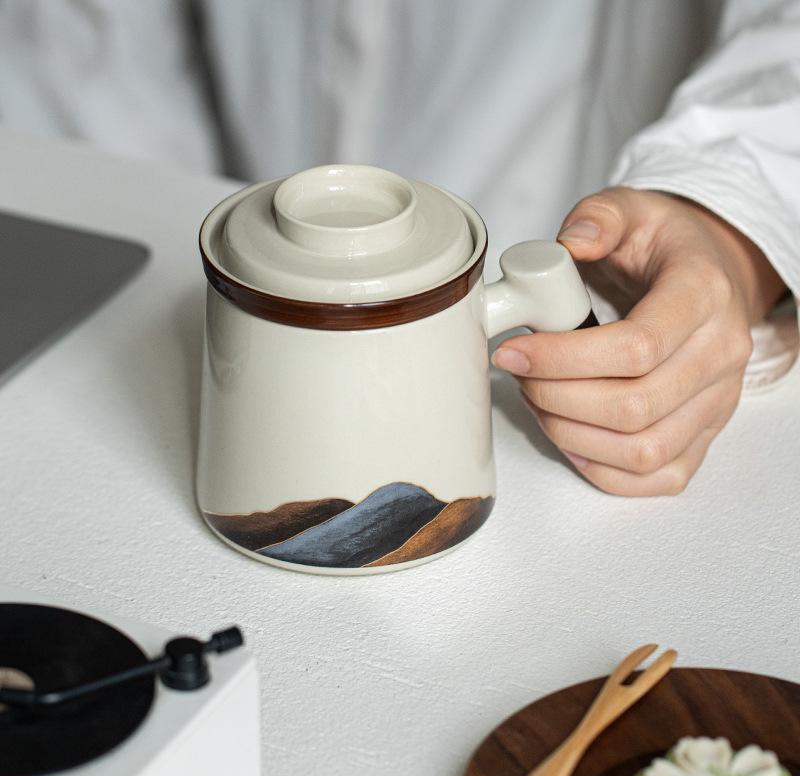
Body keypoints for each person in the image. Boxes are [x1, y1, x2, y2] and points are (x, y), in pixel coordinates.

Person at [1, 0, 798, 496]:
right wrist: (150, 204)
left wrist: (727, 219)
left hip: (584, 314)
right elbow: (84, 46)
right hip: (199, 239)